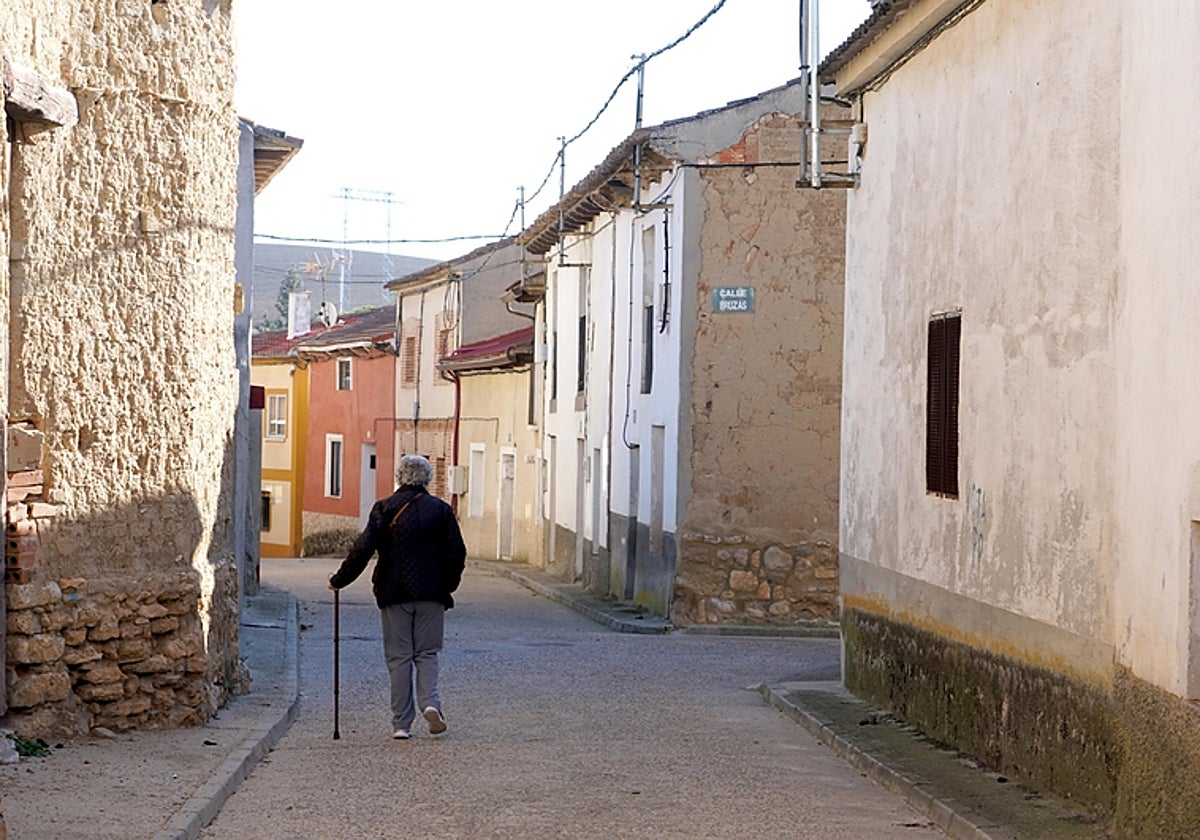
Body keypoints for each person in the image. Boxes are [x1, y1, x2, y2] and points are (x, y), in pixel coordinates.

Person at [327, 454, 466, 740]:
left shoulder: (384, 509)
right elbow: (457, 552)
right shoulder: (440, 510)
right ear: (427, 478)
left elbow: (363, 549)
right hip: (432, 594)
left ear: (400, 477)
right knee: (427, 653)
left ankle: (401, 724)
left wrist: (340, 580)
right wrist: (447, 585)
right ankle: (430, 704)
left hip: (394, 593)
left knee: (399, 657)